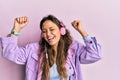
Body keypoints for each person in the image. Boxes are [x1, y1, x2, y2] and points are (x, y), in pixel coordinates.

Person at [0, 14, 102, 80]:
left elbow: (95, 55)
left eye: (52, 29)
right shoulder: (32, 50)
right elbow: (10, 53)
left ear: (61, 30)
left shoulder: (73, 48)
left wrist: (82, 31)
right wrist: (15, 30)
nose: (48, 34)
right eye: (44, 31)